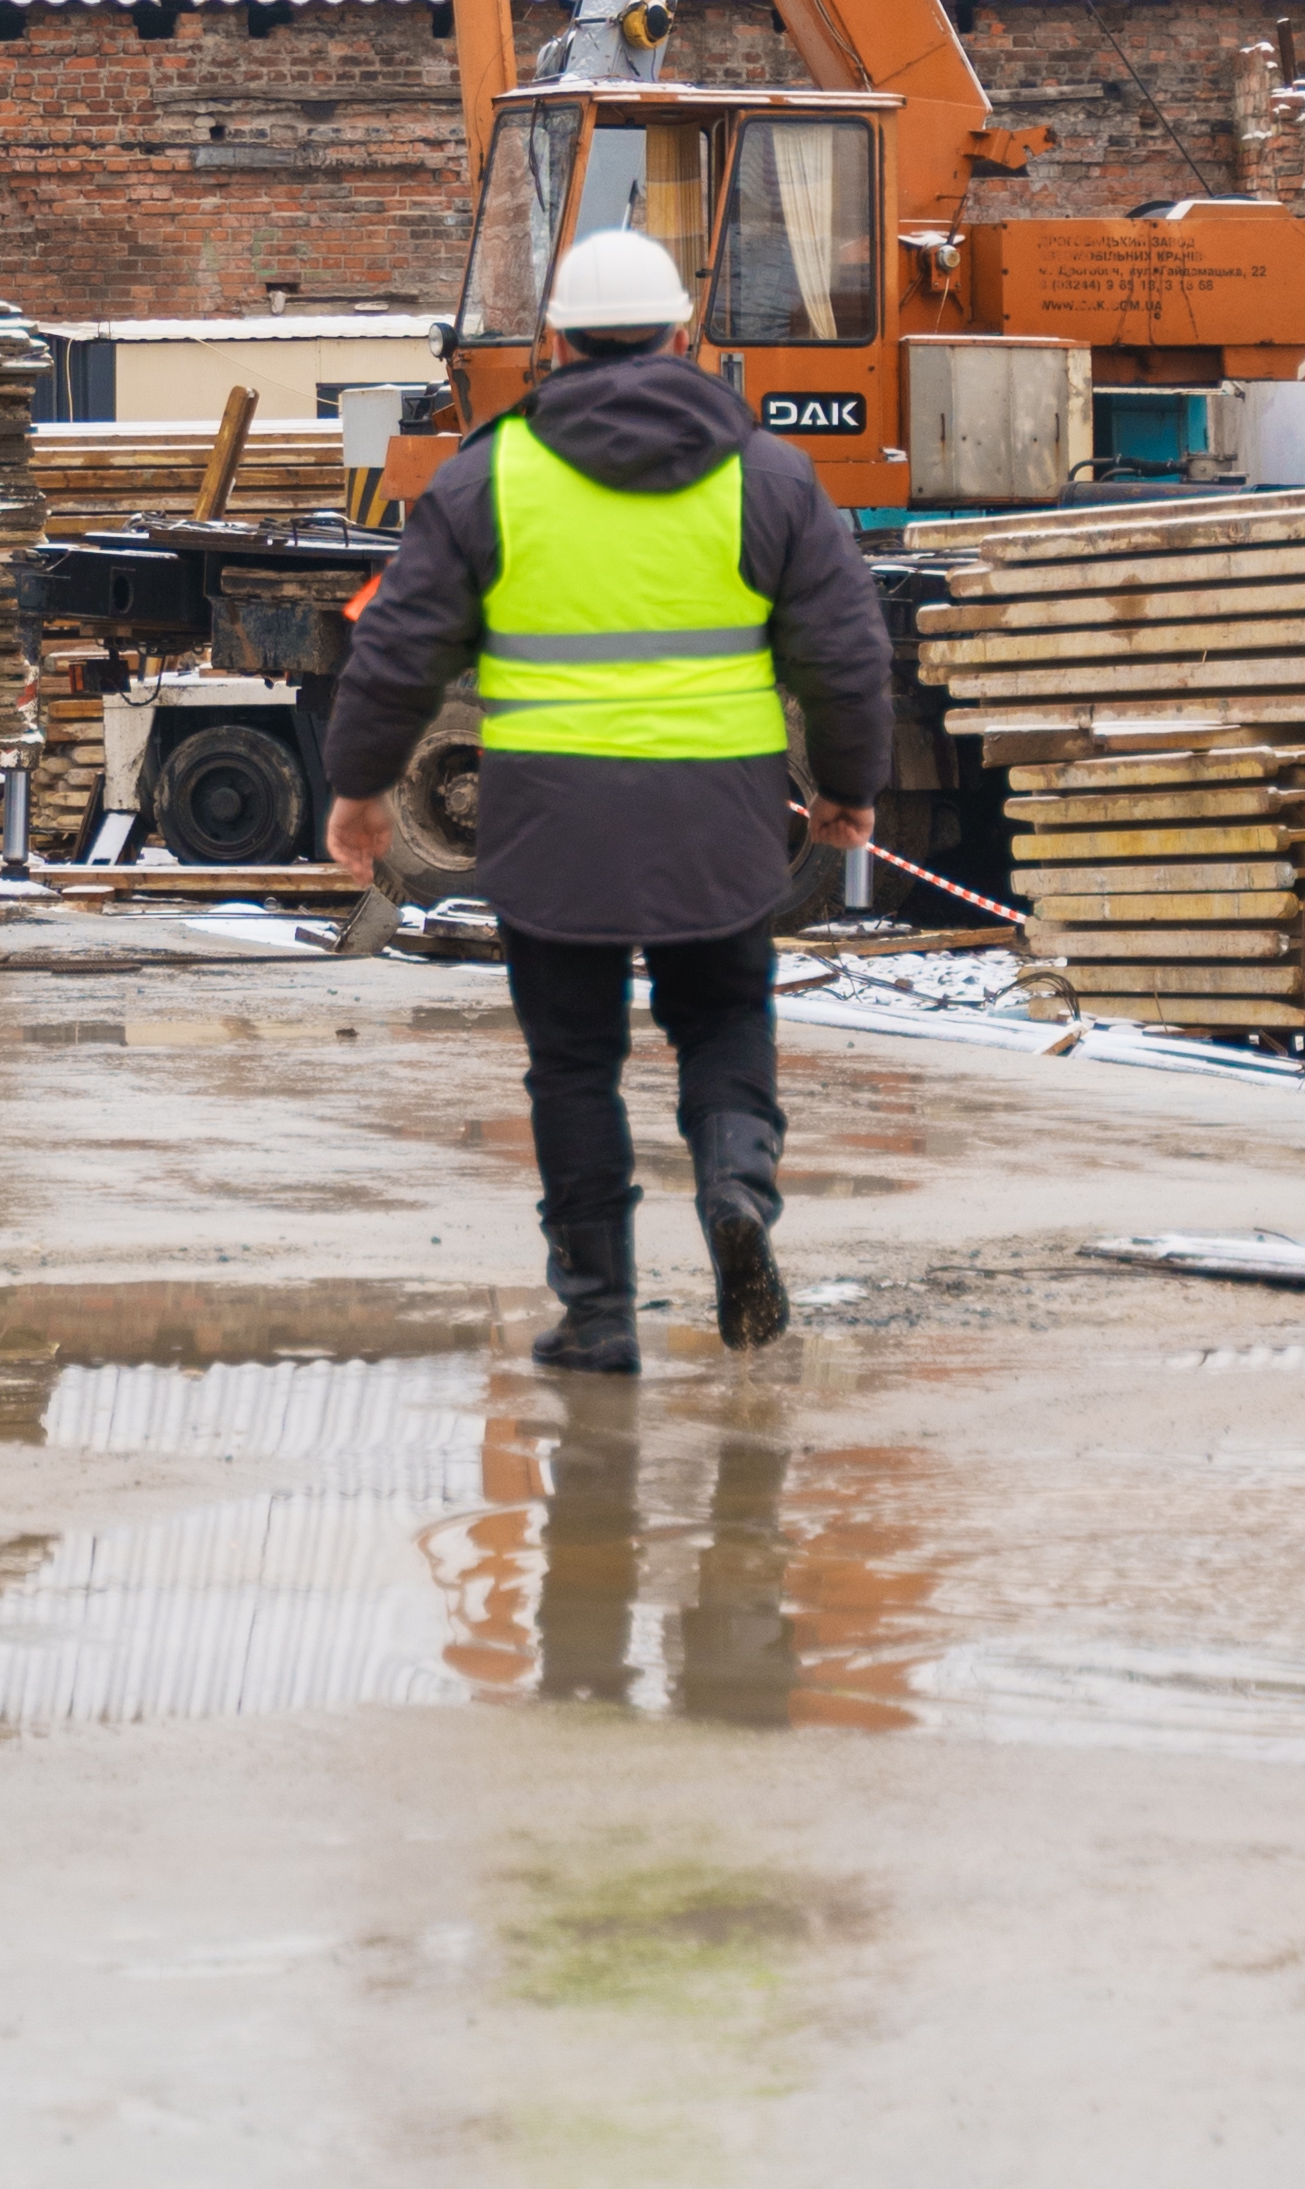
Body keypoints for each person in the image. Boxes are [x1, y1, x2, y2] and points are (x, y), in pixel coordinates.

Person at [320, 221, 892, 1373]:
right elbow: (845, 650)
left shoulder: (493, 473)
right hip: (719, 823)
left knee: (573, 1064)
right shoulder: (768, 472)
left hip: (551, 828)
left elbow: (398, 649)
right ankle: (734, 1186)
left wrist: (360, 791)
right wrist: (846, 789)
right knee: (723, 1021)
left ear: (557, 344)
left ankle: (596, 1313)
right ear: (685, 334)